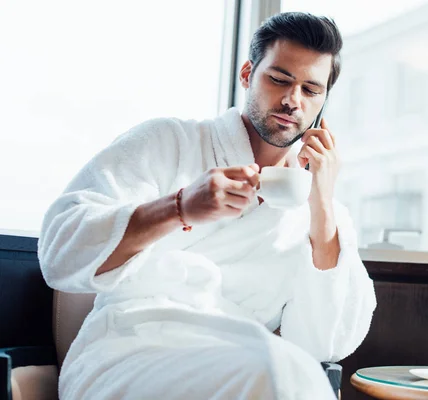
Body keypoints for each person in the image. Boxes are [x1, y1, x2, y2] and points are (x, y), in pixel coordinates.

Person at [38, 11, 376, 400]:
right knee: (280, 373)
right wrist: (178, 207)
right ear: (248, 74)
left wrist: (322, 203)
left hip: (245, 354)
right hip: (130, 349)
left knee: (291, 372)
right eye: (279, 79)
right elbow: (59, 251)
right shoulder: (168, 142)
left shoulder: (320, 208)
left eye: (310, 90)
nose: (291, 100)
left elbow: (327, 342)